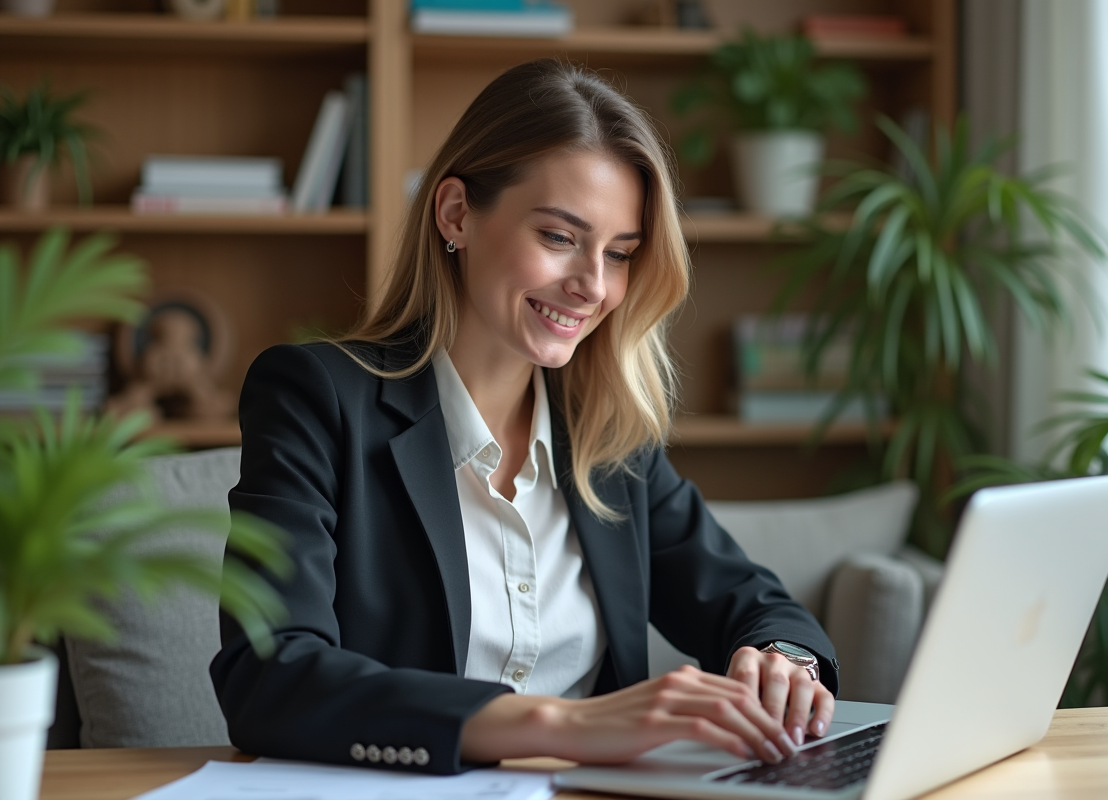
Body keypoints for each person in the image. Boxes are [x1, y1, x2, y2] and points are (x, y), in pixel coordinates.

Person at [210, 59, 838, 776]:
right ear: (456, 215)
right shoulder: (317, 398)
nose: (594, 287)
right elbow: (269, 675)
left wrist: (784, 664)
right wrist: (560, 724)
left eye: (621, 254)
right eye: (560, 238)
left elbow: (754, 604)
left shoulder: (609, 436)